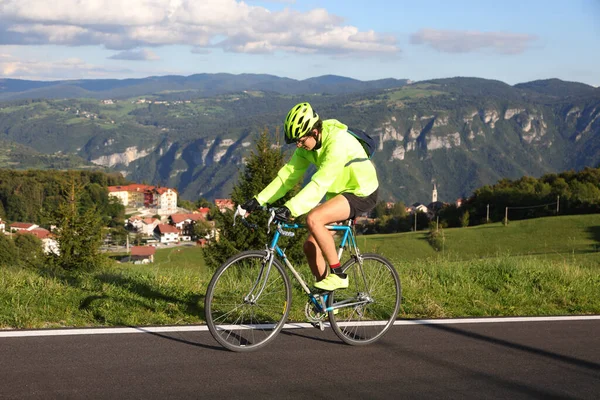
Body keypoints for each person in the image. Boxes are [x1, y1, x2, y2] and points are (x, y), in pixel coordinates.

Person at [240, 102, 379, 291]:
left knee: (314, 218)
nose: (299, 145)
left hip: (361, 192)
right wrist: (258, 200)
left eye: (301, 140)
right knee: (310, 247)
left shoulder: (337, 143)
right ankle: (325, 301)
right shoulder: (307, 146)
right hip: (339, 193)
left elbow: (319, 183)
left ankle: (338, 275)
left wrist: (290, 209)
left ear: (314, 132)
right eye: (296, 142)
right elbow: (287, 176)